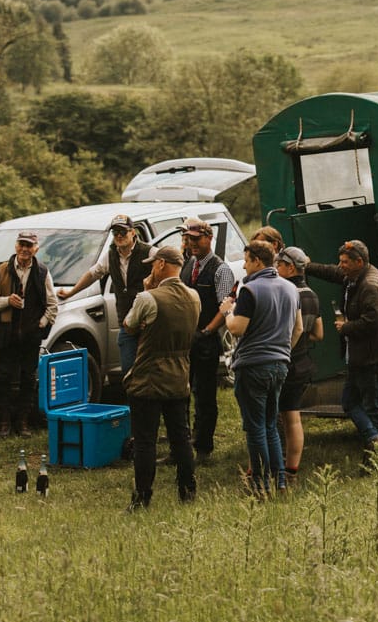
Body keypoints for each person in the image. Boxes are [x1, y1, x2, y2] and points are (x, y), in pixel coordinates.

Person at [120, 242, 200, 509]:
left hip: (148, 377)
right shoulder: (194, 297)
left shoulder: (147, 297)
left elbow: (129, 326)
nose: (151, 269)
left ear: (161, 264)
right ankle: (188, 492)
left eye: (152, 264)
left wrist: (147, 293)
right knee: (181, 438)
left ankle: (142, 498)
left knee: (145, 441)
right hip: (180, 376)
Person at [303, 238, 378, 452]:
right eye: (341, 261)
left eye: (345, 262)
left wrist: (345, 327)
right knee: (349, 402)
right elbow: (331, 272)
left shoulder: (370, 286)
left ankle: (377, 456)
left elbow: (373, 323)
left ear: (359, 262)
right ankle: (375, 441)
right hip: (359, 356)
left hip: (373, 357)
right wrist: (307, 266)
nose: (340, 265)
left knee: (374, 408)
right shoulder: (353, 277)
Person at [224, 240, 298, 496]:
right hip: (280, 364)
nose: (243, 266)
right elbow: (297, 328)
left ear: (257, 260)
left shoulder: (250, 290)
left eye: (245, 261)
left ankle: (260, 484)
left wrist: (227, 312)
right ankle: (279, 482)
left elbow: (237, 328)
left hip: (253, 364)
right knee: (269, 425)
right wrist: (283, 351)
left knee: (255, 427)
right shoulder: (291, 289)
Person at [56, 212, 152, 378]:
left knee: (150, 371)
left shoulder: (149, 252)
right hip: (126, 323)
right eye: (115, 233)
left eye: (123, 232)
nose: (119, 236)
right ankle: (133, 404)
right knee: (128, 373)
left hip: (148, 324)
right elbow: (93, 274)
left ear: (133, 232)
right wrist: (71, 292)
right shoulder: (111, 254)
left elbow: (169, 267)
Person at [0, 229, 57, 437]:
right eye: (21, 244)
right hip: (6, 335)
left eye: (29, 245)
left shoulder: (42, 272)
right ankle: (4, 422)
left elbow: (52, 305)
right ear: (16, 246)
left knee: (28, 379)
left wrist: (41, 325)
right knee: (3, 378)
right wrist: (8, 301)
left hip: (30, 336)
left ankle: (23, 422)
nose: (25, 249)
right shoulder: (2, 269)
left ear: (36, 248)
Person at [178, 216, 237, 459]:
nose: (191, 243)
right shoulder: (188, 264)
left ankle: (203, 447)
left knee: (204, 396)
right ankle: (180, 445)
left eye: (195, 239)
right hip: (183, 338)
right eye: (188, 239)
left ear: (208, 238)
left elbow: (226, 307)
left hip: (205, 339)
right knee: (180, 393)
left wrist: (207, 332)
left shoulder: (220, 269)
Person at [275, 246, 323, 482]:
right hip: (303, 361)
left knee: (275, 417)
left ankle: (273, 465)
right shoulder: (312, 295)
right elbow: (319, 334)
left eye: (279, 265)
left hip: (284, 361)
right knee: (293, 418)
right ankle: (292, 469)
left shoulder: (286, 292)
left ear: (290, 267)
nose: (276, 269)